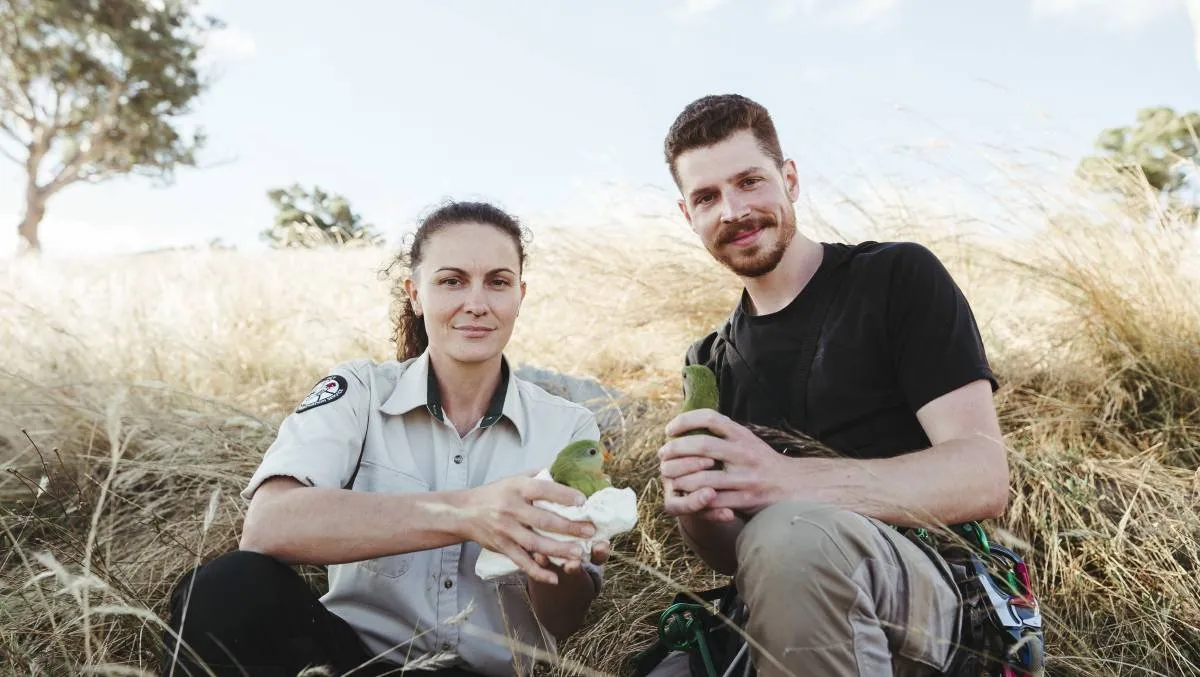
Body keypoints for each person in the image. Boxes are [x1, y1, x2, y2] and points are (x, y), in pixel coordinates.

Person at [161, 200, 610, 677]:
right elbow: (268, 525)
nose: (476, 303)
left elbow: (564, 622)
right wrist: (467, 512)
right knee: (227, 586)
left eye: (497, 282)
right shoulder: (358, 392)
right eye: (451, 280)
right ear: (415, 294)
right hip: (356, 663)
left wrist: (555, 561)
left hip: (494, 673)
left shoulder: (569, 427)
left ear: (520, 294)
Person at [648, 94, 1011, 676]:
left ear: (789, 179)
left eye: (750, 181)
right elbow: (736, 557)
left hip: (930, 591)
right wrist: (702, 511)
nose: (733, 210)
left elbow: (982, 476)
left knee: (795, 536)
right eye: (707, 197)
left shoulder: (896, 278)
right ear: (687, 214)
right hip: (783, 597)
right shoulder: (707, 359)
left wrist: (787, 482)